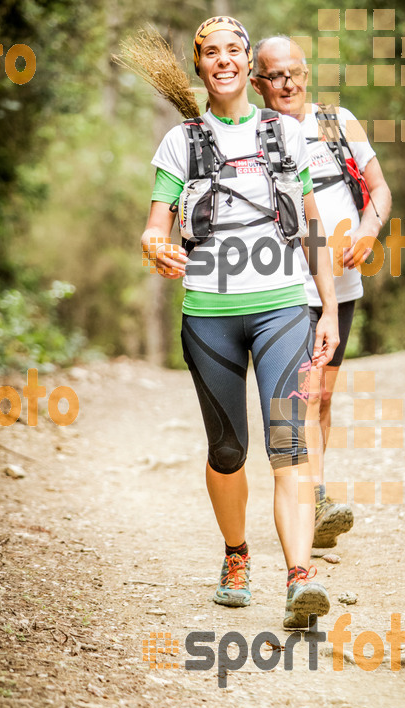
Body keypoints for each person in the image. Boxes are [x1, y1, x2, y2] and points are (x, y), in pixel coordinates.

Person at [141, 17, 339, 628]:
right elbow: (155, 224)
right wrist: (155, 245)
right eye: (210, 53)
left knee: (289, 444)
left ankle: (300, 578)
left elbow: (310, 226)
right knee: (228, 451)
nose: (223, 60)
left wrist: (327, 308)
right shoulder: (180, 142)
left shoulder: (286, 133)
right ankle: (235, 556)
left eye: (234, 50)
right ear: (198, 66)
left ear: (248, 63)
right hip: (209, 317)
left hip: (282, 308)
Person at [251, 36, 392, 548]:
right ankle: (315, 499)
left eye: (294, 73)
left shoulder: (336, 121)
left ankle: (313, 501)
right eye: (273, 76)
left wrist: (369, 230)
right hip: (285, 285)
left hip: (343, 284)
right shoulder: (254, 132)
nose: (286, 84)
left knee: (323, 397)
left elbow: (379, 190)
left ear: (307, 73)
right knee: (304, 397)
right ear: (256, 82)